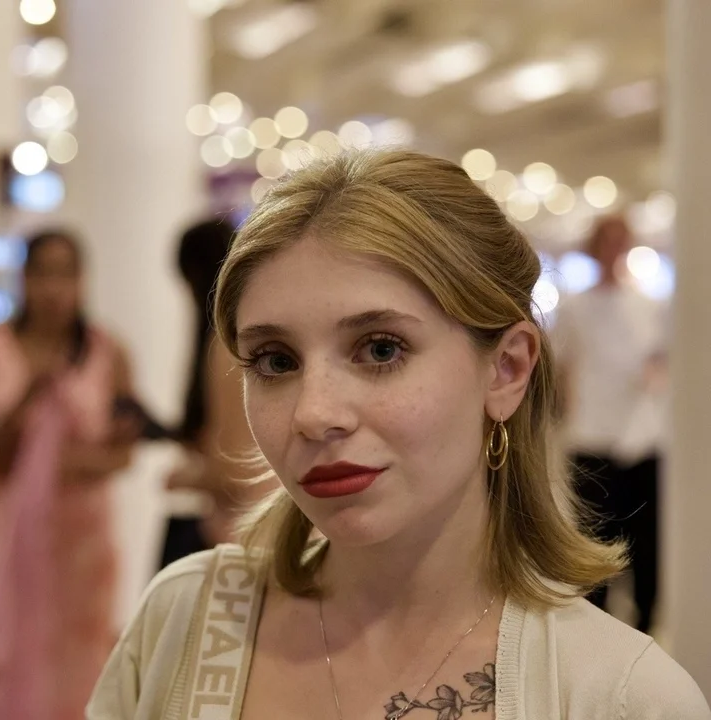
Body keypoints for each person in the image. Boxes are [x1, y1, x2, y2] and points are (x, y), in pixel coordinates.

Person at [87, 150, 710, 720]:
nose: (314, 413)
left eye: (381, 349)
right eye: (276, 361)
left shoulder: (620, 697)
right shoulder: (182, 622)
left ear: (506, 369)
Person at [0, 230, 140, 720]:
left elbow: (123, 453)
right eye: (43, 273)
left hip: (82, 541)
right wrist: (30, 400)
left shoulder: (106, 351)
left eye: (66, 274)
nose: (54, 288)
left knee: (82, 659)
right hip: (7, 536)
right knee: (8, 650)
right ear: (25, 278)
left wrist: (62, 462)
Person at [554, 216, 667, 633]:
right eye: (608, 241)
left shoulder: (647, 306)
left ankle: (645, 623)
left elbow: (660, 360)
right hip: (592, 436)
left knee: (645, 541)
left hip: (640, 438)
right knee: (595, 541)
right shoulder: (576, 307)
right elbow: (563, 367)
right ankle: (596, 630)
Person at [159, 219, 270, 569]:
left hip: (243, 534)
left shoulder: (227, 346)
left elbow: (235, 471)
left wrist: (184, 477)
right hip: (252, 528)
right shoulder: (242, 341)